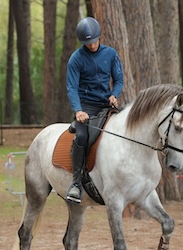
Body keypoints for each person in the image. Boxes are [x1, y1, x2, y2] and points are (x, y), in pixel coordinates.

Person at [66, 16, 124, 204]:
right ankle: (76, 183)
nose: (91, 46)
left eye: (94, 41)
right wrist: (78, 110)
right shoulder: (76, 59)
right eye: (87, 43)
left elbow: (119, 80)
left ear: (99, 37)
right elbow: (71, 88)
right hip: (86, 107)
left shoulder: (111, 54)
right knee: (82, 137)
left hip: (107, 104)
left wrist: (114, 94)